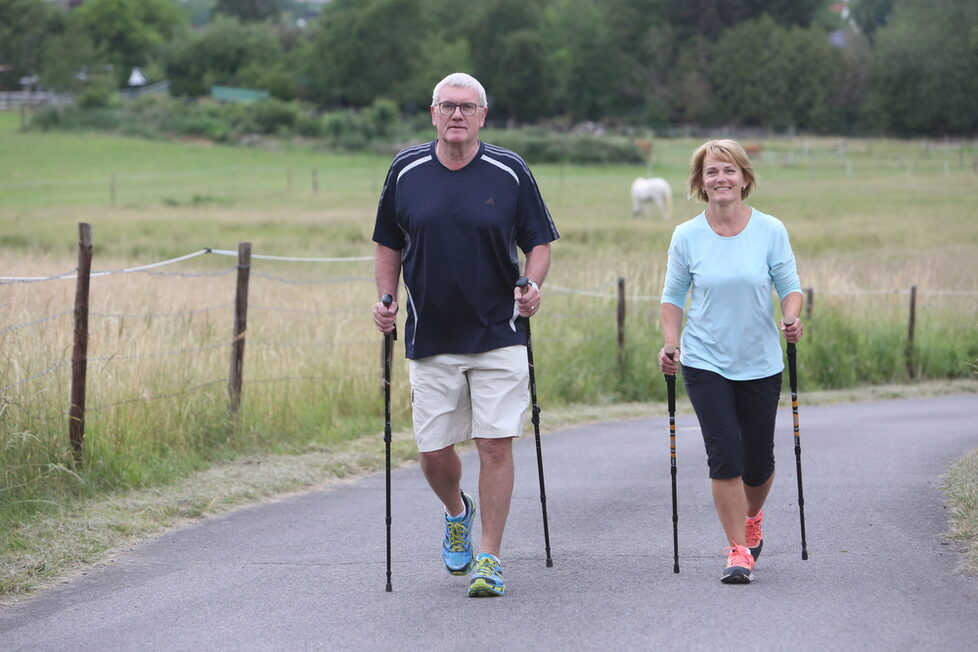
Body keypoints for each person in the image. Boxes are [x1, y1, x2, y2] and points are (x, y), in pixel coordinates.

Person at [372, 72, 559, 598]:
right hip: (429, 332)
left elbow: (539, 242)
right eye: (448, 106)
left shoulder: (509, 171)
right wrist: (386, 297)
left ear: (482, 116)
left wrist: (532, 284)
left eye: (467, 107)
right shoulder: (406, 170)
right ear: (433, 113)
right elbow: (387, 242)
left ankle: (490, 559)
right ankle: (458, 513)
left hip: (500, 332)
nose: (457, 115)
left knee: (495, 445)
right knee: (433, 453)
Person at [658, 138, 803, 584]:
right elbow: (672, 297)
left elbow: (790, 286)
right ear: (700, 183)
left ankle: (752, 517)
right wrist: (670, 343)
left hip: (761, 360)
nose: (720, 179)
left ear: (744, 178)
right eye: (711, 172)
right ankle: (738, 548)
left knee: (758, 463)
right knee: (724, 456)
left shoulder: (770, 229)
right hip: (705, 361)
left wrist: (792, 317)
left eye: (728, 171)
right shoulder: (687, 235)